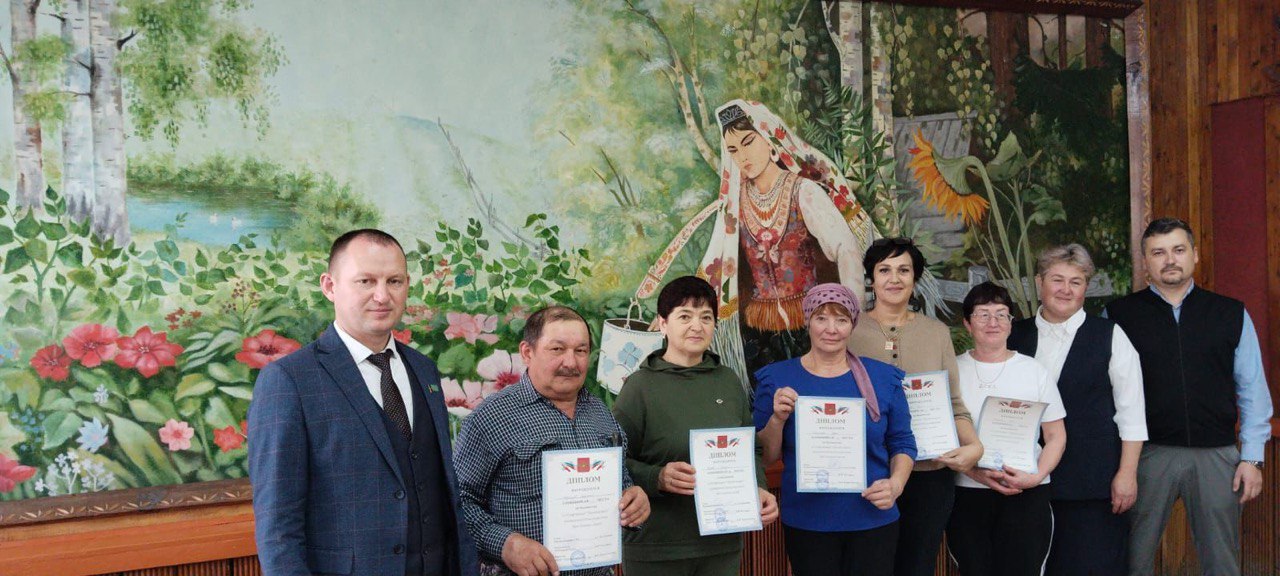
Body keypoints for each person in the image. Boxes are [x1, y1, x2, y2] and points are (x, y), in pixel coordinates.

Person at [248, 229, 479, 576]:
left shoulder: (424, 370)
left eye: (394, 281)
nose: (382, 296)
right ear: (330, 286)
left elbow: (446, 496)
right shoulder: (289, 380)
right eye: (366, 281)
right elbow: (278, 527)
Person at [638, 99, 877, 385]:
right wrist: (673, 311)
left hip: (811, 327)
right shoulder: (735, 203)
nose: (743, 156)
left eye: (748, 142)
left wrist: (851, 316)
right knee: (767, 401)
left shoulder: (804, 191)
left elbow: (846, 250)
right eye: (733, 150)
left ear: (769, 138)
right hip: (758, 333)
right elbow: (717, 267)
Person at [1104, 218, 1273, 576]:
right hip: (1145, 456)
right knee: (1132, 561)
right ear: (1145, 262)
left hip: (1217, 457)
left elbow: (1253, 389)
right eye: (1158, 253)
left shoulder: (1230, 313)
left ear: (1195, 255)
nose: (1170, 260)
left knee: (1221, 564)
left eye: (1178, 250)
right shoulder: (1118, 317)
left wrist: (1253, 457)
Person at [453, 305, 651, 576]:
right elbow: (458, 501)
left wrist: (634, 500)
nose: (571, 362)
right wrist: (505, 544)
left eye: (580, 351)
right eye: (557, 349)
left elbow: (621, 483)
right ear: (527, 352)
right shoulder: (492, 418)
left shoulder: (601, 415)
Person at [612, 276, 780, 576]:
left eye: (706, 317)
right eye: (684, 316)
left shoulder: (728, 381)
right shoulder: (639, 387)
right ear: (663, 324)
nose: (697, 326)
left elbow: (750, 449)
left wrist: (759, 487)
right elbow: (613, 461)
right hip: (657, 547)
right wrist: (657, 477)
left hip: (721, 544)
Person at [754, 282, 916, 576]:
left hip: (872, 518)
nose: (831, 329)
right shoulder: (777, 379)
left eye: (841, 319)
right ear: (807, 321)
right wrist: (777, 419)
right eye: (821, 318)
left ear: (852, 324)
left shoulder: (882, 378)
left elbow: (902, 442)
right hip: (808, 521)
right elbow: (764, 457)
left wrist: (896, 484)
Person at [1007, 244, 1147, 576]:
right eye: (1057, 279)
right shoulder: (1014, 336)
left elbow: (1131, 413)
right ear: (1039, 282)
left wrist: (1127, 474)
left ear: (1086, 288)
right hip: (1022, 484)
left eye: (1076, 281)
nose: (1065, 290)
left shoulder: (1110, 336)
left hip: (1092, 486)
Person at [847, 237, 983, 576]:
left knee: (917, 566)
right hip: (870, 474)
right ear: (871, 278)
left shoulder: (936, 332)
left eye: (903, 270)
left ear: (915, 277)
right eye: (884, 270)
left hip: (929, 475)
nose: (894, 279)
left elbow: (954, 404)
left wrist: (974, 446)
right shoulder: (848, 331)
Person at [947, 281, 1067, 576]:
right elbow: (943, 438)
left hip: (1026, 493)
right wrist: (974, 472)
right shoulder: (952, 372)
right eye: (983, 314)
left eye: (1001, 314)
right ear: (967, 323)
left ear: (1011, 323)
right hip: (969, 493)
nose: (993, 322)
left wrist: (1035, 477)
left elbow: (1055, 436)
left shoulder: (1034, 371)